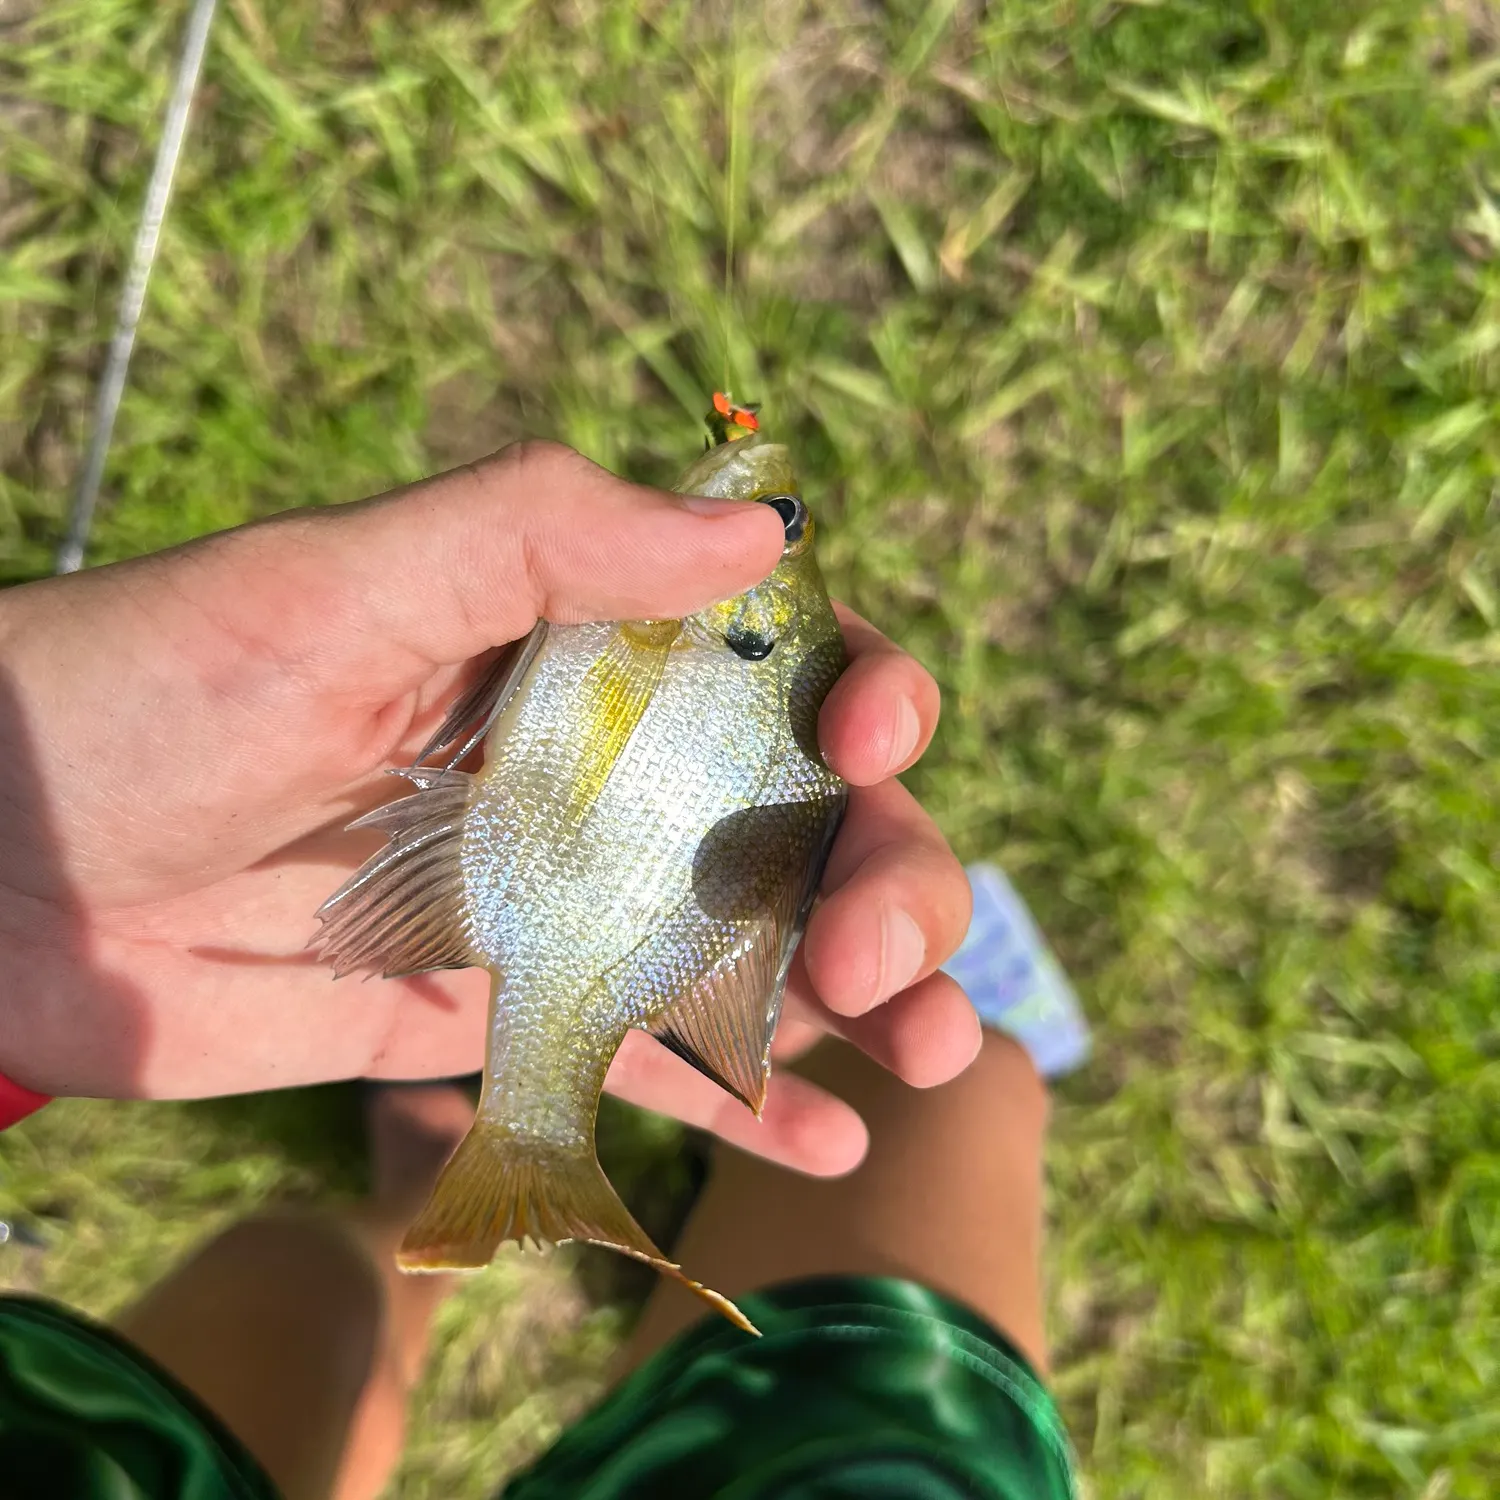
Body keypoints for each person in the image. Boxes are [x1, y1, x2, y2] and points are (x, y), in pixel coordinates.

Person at [0, 440, 1082, 1498]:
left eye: (784, 532)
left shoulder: (705, 620)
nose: (773, 517)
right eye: (786, 534)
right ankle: (443, 1198)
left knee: (273, 1309)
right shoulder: (730, 630)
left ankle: (427, 1202)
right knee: (965, 1083)